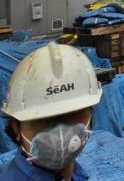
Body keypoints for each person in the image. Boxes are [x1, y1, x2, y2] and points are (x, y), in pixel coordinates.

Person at [1, 42, 103, 180]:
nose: (60, 134)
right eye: (41, 119)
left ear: (91, 113)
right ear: (16, 128)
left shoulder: (75, 174)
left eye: (72, 114)